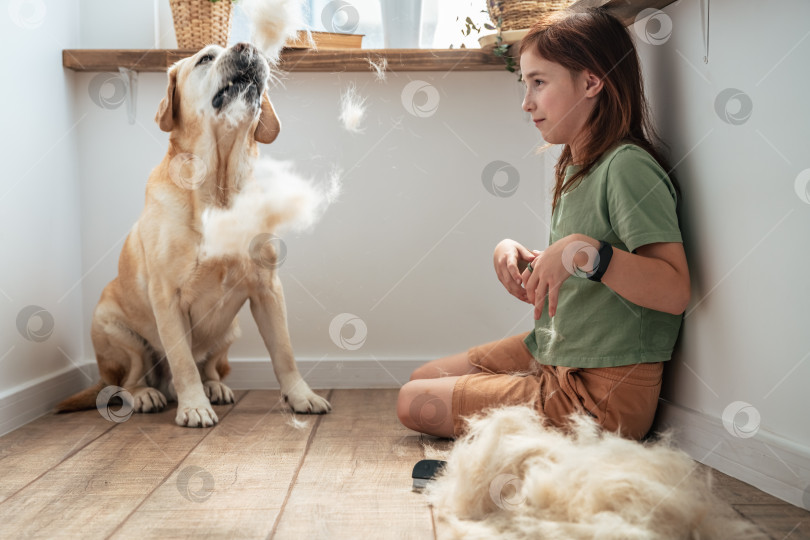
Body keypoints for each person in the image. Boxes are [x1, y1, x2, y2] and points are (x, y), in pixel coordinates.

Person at [396, 7, 690, 442]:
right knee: (423, 376)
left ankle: (540, 403)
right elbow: (589, 266)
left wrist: (578, 251)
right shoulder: (577, 166)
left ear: (591, 82)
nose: (526, 101)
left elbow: (674, 289)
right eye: (525, 83)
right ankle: (530, 392)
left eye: (539, 82)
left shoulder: (627, 167)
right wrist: (529, 259)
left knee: (413, 402)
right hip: (558, 350)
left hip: (600, 394)